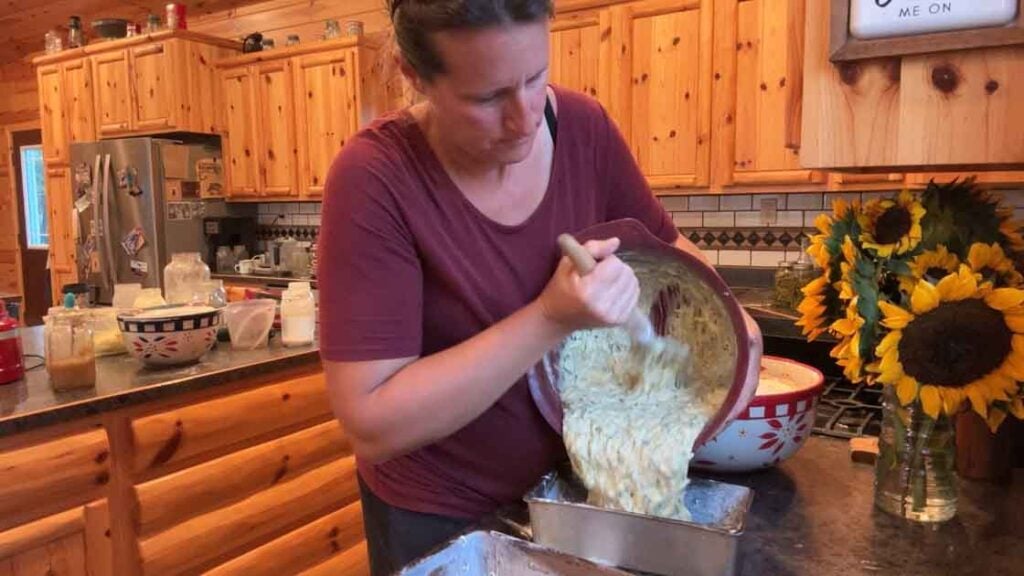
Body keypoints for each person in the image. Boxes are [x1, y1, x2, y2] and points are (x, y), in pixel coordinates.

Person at [317, 0, 707, 572]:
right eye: (487, 97)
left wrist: (739, 331)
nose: (524, 118)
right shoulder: (375, 178)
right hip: (442, 518)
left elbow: (675, 257)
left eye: (535, 77)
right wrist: (550, 317)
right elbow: (372, 423)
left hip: (576, 495)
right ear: (415, 76)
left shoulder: (583, 128)